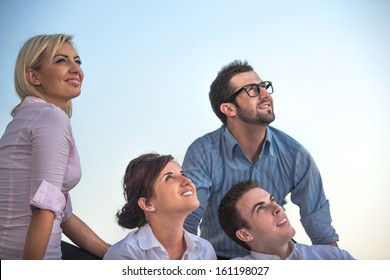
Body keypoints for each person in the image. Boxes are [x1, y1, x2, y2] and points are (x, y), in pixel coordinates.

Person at [182, 60, 339, 259]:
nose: (265, 94)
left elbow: (322, 230)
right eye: (252, 90)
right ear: (229, 109)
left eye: (264, 86)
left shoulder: (296, 155)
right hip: (221, 261)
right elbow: (186, 223)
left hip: (280, 258)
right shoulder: (202, 152)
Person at [0, 34, 109, 259]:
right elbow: (44, 208)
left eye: (77, 61)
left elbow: (63, 214)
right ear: (33, 76)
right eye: (61, 60)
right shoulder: (50, 118)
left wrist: (117, 254)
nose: (75, 68)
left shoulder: (25, 118)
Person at [103, 153, 217, 260]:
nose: (187, 180)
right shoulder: (124, 254)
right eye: (169, 178)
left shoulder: (205, 250)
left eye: (183, 174)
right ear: (147, 204)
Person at [218, 180, 355, 260]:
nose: (277, 208)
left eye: (272, 200)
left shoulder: (334, 257)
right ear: (245, 234)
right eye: (260, 208)